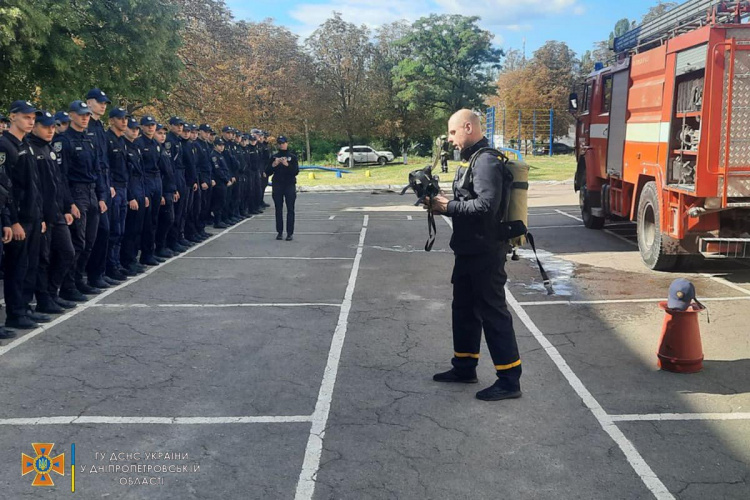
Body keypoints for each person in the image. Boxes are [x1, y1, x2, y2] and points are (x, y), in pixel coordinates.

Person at [427, 109, 522, 402]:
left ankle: (509, 380)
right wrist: (442, 199)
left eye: (453, 133)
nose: (451, 139)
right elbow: (470, 199)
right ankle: (464, 366)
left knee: (493, 313)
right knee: (464, 309)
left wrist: (447, 207)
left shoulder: (487, 161)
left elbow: (486, 207)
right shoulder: (473, 160)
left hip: (486, 251)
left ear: (468, 127)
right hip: (469, 250)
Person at [0, 100, 49, 331]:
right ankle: (15, 313)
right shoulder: (5, 146)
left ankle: (24, 308)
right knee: (16, 267)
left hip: (32, 216)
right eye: (26, 117)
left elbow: (34, 185)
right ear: (13, 117)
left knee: (29, 265)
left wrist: (39, 217)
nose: (31, 121)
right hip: (18, 218)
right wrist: (12, 221)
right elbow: (5, 188)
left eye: (32, 118)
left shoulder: (26, 144)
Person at [29, 110, 77, 315]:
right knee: (43, 258)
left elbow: (59, 181)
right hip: (41, 214)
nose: (51, 130)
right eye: (45, 126)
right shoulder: (29, 148)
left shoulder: (49, 147)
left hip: (56, 212)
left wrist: (67, 206)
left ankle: (52, 292)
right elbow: (32, 188)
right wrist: (39, 216)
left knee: (67, 252)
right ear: (34, 127)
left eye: (52, 126)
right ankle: (43, 299)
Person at [58, 100, 105, 298]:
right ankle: (68, 287)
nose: (85, 117)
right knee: (77, 242)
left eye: (87, 114)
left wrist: (101, 196)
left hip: (91, 192)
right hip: (76, 193)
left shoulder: (89, 139)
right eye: (81, 114)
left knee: (89, 242)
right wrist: (70, 203)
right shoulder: (64, 141)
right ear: (71, 115)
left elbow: (97, 169)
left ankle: (78, 280)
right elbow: (62, 176)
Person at [84, 88, 114, 289]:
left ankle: (97, 273)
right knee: (93, 233)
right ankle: (89, 275)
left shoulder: (99, 127)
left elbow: (104, 159)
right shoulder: (85, 127)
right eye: (100, 102)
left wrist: (107, 185)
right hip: (89, 185)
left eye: (105, 103)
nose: (103, 106)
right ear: (89, 102)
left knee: (104, 231)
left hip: (103, 182)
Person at [104, 107, 131, 281]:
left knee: (120, 230)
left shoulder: (121, 141)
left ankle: (116, 263)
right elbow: (105, 166)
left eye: (125, 118)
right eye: (120, 118)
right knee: (113, 230)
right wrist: (110, 185)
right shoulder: (108, 139)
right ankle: (110, 266)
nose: (124, 121)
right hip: (114, 189)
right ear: (112, 120)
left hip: (124, 187)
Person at [121, 118, 148, 275]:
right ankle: (126, 260)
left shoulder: (136, 147)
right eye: (132, 129)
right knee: (129, 229)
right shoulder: (124, 146)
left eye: (137, 129)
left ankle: (132, 259)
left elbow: (141, 172)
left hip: (140, 188)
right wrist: (131, 196)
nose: (135, 131)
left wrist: (143, 194)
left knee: (137, 228)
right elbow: (127, 174)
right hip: (130, 188)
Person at [135, 115, 162, 266]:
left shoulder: (155, 144)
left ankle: (149, 253)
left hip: (156, 180)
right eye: (148, 125)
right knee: (144, 221)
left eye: (153, 125)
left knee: (153, 220)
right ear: (142, 127)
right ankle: (144, 254)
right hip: (145, 180)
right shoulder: (139, 143)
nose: (151, 127)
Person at [266, 135, 299, 241]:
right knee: (278, 209)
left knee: (290, 209)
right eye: (280, 143)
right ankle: (279, 232)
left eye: (283, 143)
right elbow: (267, 172)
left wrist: (287, 164)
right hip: (278, 185)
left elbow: (295, 172)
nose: (282, 145)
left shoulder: (292, 157)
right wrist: (274, 164)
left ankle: (290, 233)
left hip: (289, 184)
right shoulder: (274, 156)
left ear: (287, 143)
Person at [155, 123, 177, 258]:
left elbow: (169, 171)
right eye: (159, 133)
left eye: (164, 134)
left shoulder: (162, 149)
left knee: (169, 219)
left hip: (168, 188)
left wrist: (174, 189)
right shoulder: (155, 149)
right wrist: (162, 193)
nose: (162, 136)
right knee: (164, 219)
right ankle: (159, 247)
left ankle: (162, 245)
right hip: (161, 189)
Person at [209, 138, 231, 229]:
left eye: (223, 145)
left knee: (222, 201)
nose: (222, 147)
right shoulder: (214, 156)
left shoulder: (220, 155)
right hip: (219, 182)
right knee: (219, 202)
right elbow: (218, 170)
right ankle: (217, 221)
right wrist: (226, 179)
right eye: (219, 145)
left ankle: (220, 220)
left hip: (223, 181)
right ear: (215, 146)